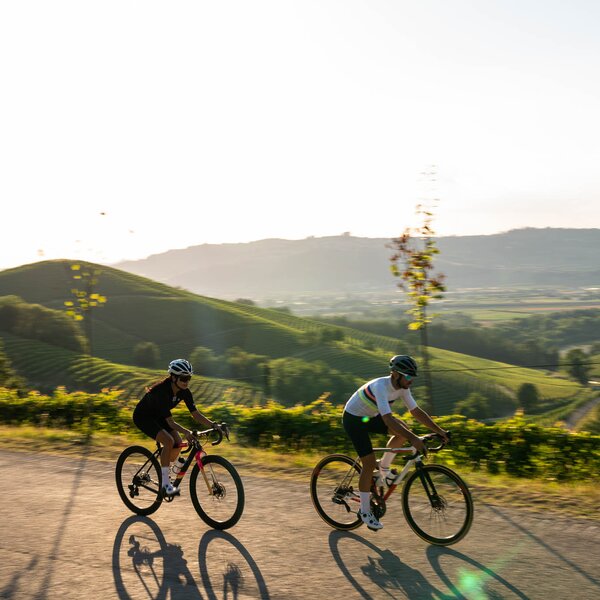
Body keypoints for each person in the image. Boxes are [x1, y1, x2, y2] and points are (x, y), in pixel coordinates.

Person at [342, 355, 449, 530]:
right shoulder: (381, 387)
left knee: (403, 430)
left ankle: (383, 468)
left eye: (412, 377)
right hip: (354, 419)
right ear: (395, 374)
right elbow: (388, 420)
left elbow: (416, 411)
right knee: (368, 464)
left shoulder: (402, 387)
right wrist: (414, 439)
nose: (411, 381)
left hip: (369, 417)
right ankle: (365, 510)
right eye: (407, 377)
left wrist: (440, 431)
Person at [133, 358, 218, 496]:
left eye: (188, 378)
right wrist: (187, 431)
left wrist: (214, 425)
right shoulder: (161, 392)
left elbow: (195, 414)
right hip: (144, 417)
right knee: (168, 441)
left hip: (159, 416)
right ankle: (165, 485)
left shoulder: (185, 391)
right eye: (183, 378)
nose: (186, 382)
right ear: (173, 377)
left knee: (177, 445)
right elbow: (171, 423)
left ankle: (169, 466)